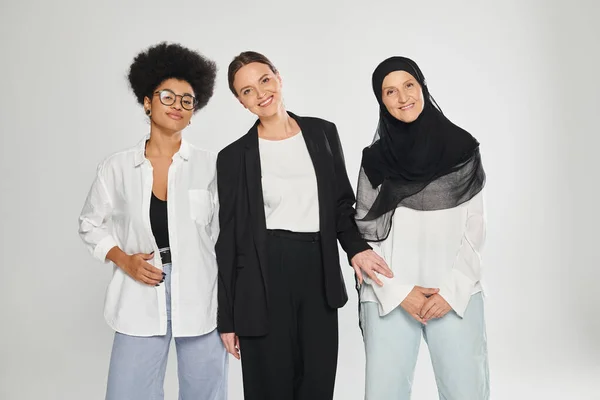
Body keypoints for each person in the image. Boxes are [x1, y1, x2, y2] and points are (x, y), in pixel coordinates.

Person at [215, 51, 392, 400]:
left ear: (278, 78)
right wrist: (228, 318)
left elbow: (342, 204)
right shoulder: (233, 157)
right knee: (271, 387)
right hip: (263, 278)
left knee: (316, 384)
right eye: (247, 90)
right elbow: (229, 239)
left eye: (264, 80)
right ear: (241, 102)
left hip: (318, 272)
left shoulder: (322, 132)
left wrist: (357, 249)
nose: (261, 93)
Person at [78, 42, 227, 400]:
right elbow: (90, 224)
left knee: (206, 393)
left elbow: (226, 235)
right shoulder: (116, 167)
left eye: (187, 100)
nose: (178, 105)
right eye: (167, 96)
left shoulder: (212, 166)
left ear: (194, 110)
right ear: (147, 101)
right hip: (138, 295)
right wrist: (123, 260)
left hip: (203, 295)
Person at [355, 56, 489, 399]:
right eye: (390, 91)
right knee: (386, 393)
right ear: (381, 101)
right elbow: (366, 236)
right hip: (389, 294)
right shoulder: (375, 159)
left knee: (467, 392)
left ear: (422, 86)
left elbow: (476, 229)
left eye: (409, 85)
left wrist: (452, 289)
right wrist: (399, 291)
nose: (403, 98)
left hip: (454, 293)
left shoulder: (462, 148)